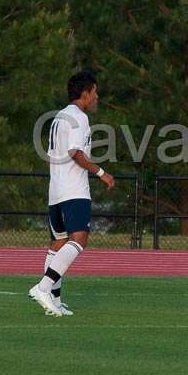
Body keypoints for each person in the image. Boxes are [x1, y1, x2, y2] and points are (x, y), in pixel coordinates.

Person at [30, 71, 114, 316]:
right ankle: (43, 288)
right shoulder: (79, 117)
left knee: (58, 243)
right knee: (79, 239)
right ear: (85, 93)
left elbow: (51, 157)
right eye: (94, 92)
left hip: (56, 190)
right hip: (73, 190)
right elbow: (75, 153)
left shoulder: (58, 117)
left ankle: (53, 301)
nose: (97, 97)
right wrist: (101, 173)